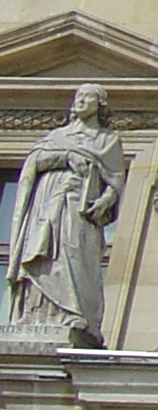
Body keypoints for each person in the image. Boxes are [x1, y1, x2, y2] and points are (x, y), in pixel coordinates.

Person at [6, 86, 124, 344]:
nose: (80, 101)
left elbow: (115, 181)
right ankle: (35, 314)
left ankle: (72, 312)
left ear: (100, 104)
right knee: (42, 253)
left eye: (87, 97)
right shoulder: (57, 135)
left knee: (73, 255)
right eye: (78, 97)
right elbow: (35, 162)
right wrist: (67, 156)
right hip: (46, 204)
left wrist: (104, 201)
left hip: (77, 209)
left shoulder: (107, 141)